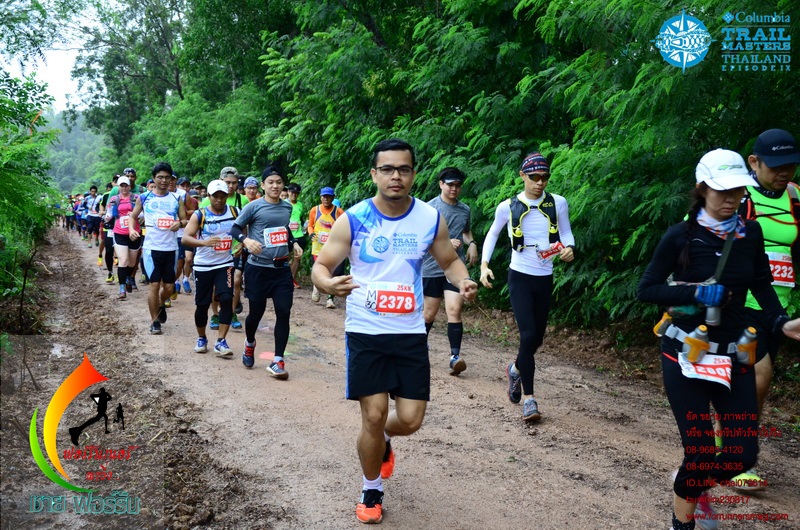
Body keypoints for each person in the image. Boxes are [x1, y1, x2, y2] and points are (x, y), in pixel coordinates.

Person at [311, 139, 478, 524]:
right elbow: (322, 266)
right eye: (387, 169)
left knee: (410, 420)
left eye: (403, 169)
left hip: (409, 333)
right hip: (365, 331)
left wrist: (463, 280)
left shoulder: (428, 218)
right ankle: (371, 487)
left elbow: (449, 260)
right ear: (374, 174)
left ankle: (383, 439)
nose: (395, 176)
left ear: (414, 174)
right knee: (373, 415)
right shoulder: (353, 218)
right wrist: (327, 283)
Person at [637, 149, 800, 530]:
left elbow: (761, 282)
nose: (731, 199)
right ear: (702, 188)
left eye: (738, 191)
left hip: (733, 355)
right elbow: (647, 290)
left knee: (742, 455)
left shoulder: (749, 233)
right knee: (700, 452)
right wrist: (695, 293)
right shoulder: (680, 236)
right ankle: (683, 521)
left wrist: (780, 321)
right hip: (685, 353)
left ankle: (690, 486)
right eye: (722, 191)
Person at [479, 151, 575, 422]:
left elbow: (566, 231)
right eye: (534, 177)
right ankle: (529, 399)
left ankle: (515, 369)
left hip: (545, 277)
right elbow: (492, 234)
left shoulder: (558, 203)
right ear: (522, 176)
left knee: (537, 339)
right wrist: (484, 265)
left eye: (545, 177)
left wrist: (570, 247)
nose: (540, 182)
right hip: (519, 275)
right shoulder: (507, 207)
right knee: (528, 334)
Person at [731, 129, 800, 490]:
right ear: (754, 163)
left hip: (779, 309)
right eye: (775, 166)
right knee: (758, 375)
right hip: (740, 303)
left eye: (791, 165)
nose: (784, 172)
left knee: (758, 385)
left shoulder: (795, 198)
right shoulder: (737, 196)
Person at [231, 166, 303, 378]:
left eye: (279, 182)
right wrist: (246, 240)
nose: (275, 186)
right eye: (270, 182)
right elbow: (235, 228)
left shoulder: (287, 207)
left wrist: (294, 242)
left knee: (284, 311)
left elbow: (284, 229)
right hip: (258, 269)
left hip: (281, 269)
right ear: (263, 185)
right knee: (256, 313)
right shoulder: (253, 206)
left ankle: (278, 360)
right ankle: (249, 342)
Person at [422, 167, 478, 375]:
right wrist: (444, 243)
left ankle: (455, 357)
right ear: (441, 184)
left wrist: (472, 243)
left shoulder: (464, 210)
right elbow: (420, 238)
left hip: (455, 268)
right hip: (431, 268)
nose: (454, 188)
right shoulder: (429, 209)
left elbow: (466, 230)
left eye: (458, 185)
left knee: (454, 309)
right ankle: (418, 347)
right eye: (450, 184)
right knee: (429, 313)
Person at [128, 162, 187, 334]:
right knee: (154, 284)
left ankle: (161, 303)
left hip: (171, 248)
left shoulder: (176, 198)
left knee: (169, 288)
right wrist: (132, 230)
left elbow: (184, 220)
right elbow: (133, 216)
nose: (163, 180)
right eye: (160, 177)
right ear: (154, 178)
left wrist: (179, 223)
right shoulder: (144, 197)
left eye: (167, 177)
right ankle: (154, 322)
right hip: (151, 248)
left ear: (171, 179)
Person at [181, 179, 238, 357]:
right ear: (209, 196)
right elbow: (185, 238)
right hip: (203, 265)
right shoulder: (200, 215)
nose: (219, 200)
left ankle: (221, 341)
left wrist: (242, 244)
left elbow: (244, 230)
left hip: (225, 263)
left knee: (227, 298)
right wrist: (204, 243)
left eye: (223, 196)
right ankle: (202, 338)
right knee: (202, 304)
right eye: (215, 196)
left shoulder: (235, 212)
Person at [202, 167, 249, 331]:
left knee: (236, 281)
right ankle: (215, 314)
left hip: (234, 249)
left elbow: (246, 224)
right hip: (213, 251)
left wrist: (242, 243)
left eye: (234, 183)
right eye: (227, 182)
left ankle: (231, 313)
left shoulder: (243, 200)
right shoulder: (207, 200)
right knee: (216, 285)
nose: (230, 186)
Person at [104, 176, 141, 300]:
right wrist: (106, 217)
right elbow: (109, 214)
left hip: (134, 233)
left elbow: (143, 213)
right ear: (118, 187)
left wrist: (135, 214)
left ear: (130, 186)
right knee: (123, 260)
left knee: (131, 262)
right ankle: (122, 288)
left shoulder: (136, 198)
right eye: (122, 186)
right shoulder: (114, 199)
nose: (124, 188)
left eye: (126, 185)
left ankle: (129, 278)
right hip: (119, 232)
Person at [309, 186, 345, 308]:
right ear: (321, 197)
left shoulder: (339, 212)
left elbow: (344, 227)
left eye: (329, 197)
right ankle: (317, 286)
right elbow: (310, 225)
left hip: (332, 246)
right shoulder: (314, 210)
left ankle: (330, 299)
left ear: (333, 198)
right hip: (317, 245)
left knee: (333, 271)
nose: (326, 199)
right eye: (324, 196)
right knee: (318, 267)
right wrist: (311, 233)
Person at [286, 183, 306, 288]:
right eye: (292, 192)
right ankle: (283, 277)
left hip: (298, 234)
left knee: (297, 257)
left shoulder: (300, 205)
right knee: (285, 257)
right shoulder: (283, 203)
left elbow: (300, 218)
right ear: (288, 192)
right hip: (286, 234)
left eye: (296, 193)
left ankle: (291, 279)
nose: (294, 194)